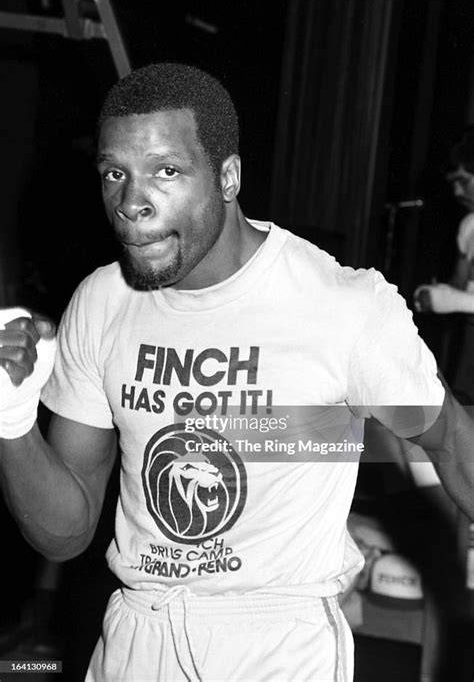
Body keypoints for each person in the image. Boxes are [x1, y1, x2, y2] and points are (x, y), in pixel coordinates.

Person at [0, 63, 472, 682]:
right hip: (138, 637)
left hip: (276, 645)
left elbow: (449, 438)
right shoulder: (103, 301)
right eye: (116, 174)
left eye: (166, 171)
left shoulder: (339, 304)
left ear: (228, 176)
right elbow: (63, 534)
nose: (131, 203)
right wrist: (11, 419)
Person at [414, 128, 474, 403]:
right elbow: (459, 285)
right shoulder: (468, 225)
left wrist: (446, 299)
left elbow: (456, 298)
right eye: (453, 182)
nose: (456, 190)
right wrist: (436, 295)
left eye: (463, 180)